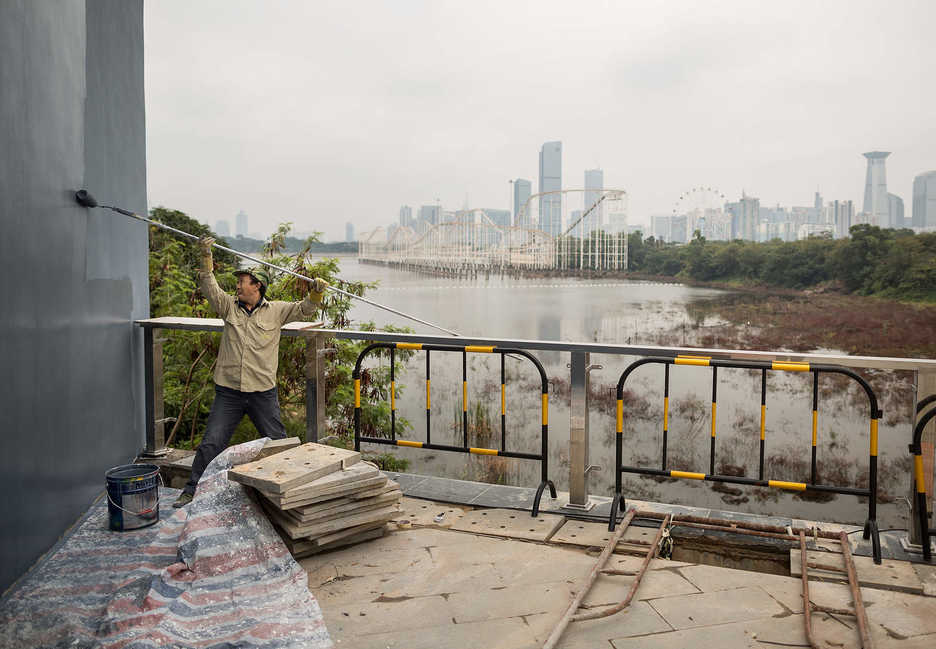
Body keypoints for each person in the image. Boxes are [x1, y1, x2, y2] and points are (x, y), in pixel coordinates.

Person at [173, 236, 328, 507]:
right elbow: (209, 286)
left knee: (280, 445)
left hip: (262, 394)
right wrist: (206, 255)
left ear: (257, 285)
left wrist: (316, 292)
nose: (238, 285)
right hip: (229, 392)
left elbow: (305, 310)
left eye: (243, 281)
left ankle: (289, 493)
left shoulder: (277, 311)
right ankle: (191, 490)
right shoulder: (228, 306)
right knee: (211, 443)